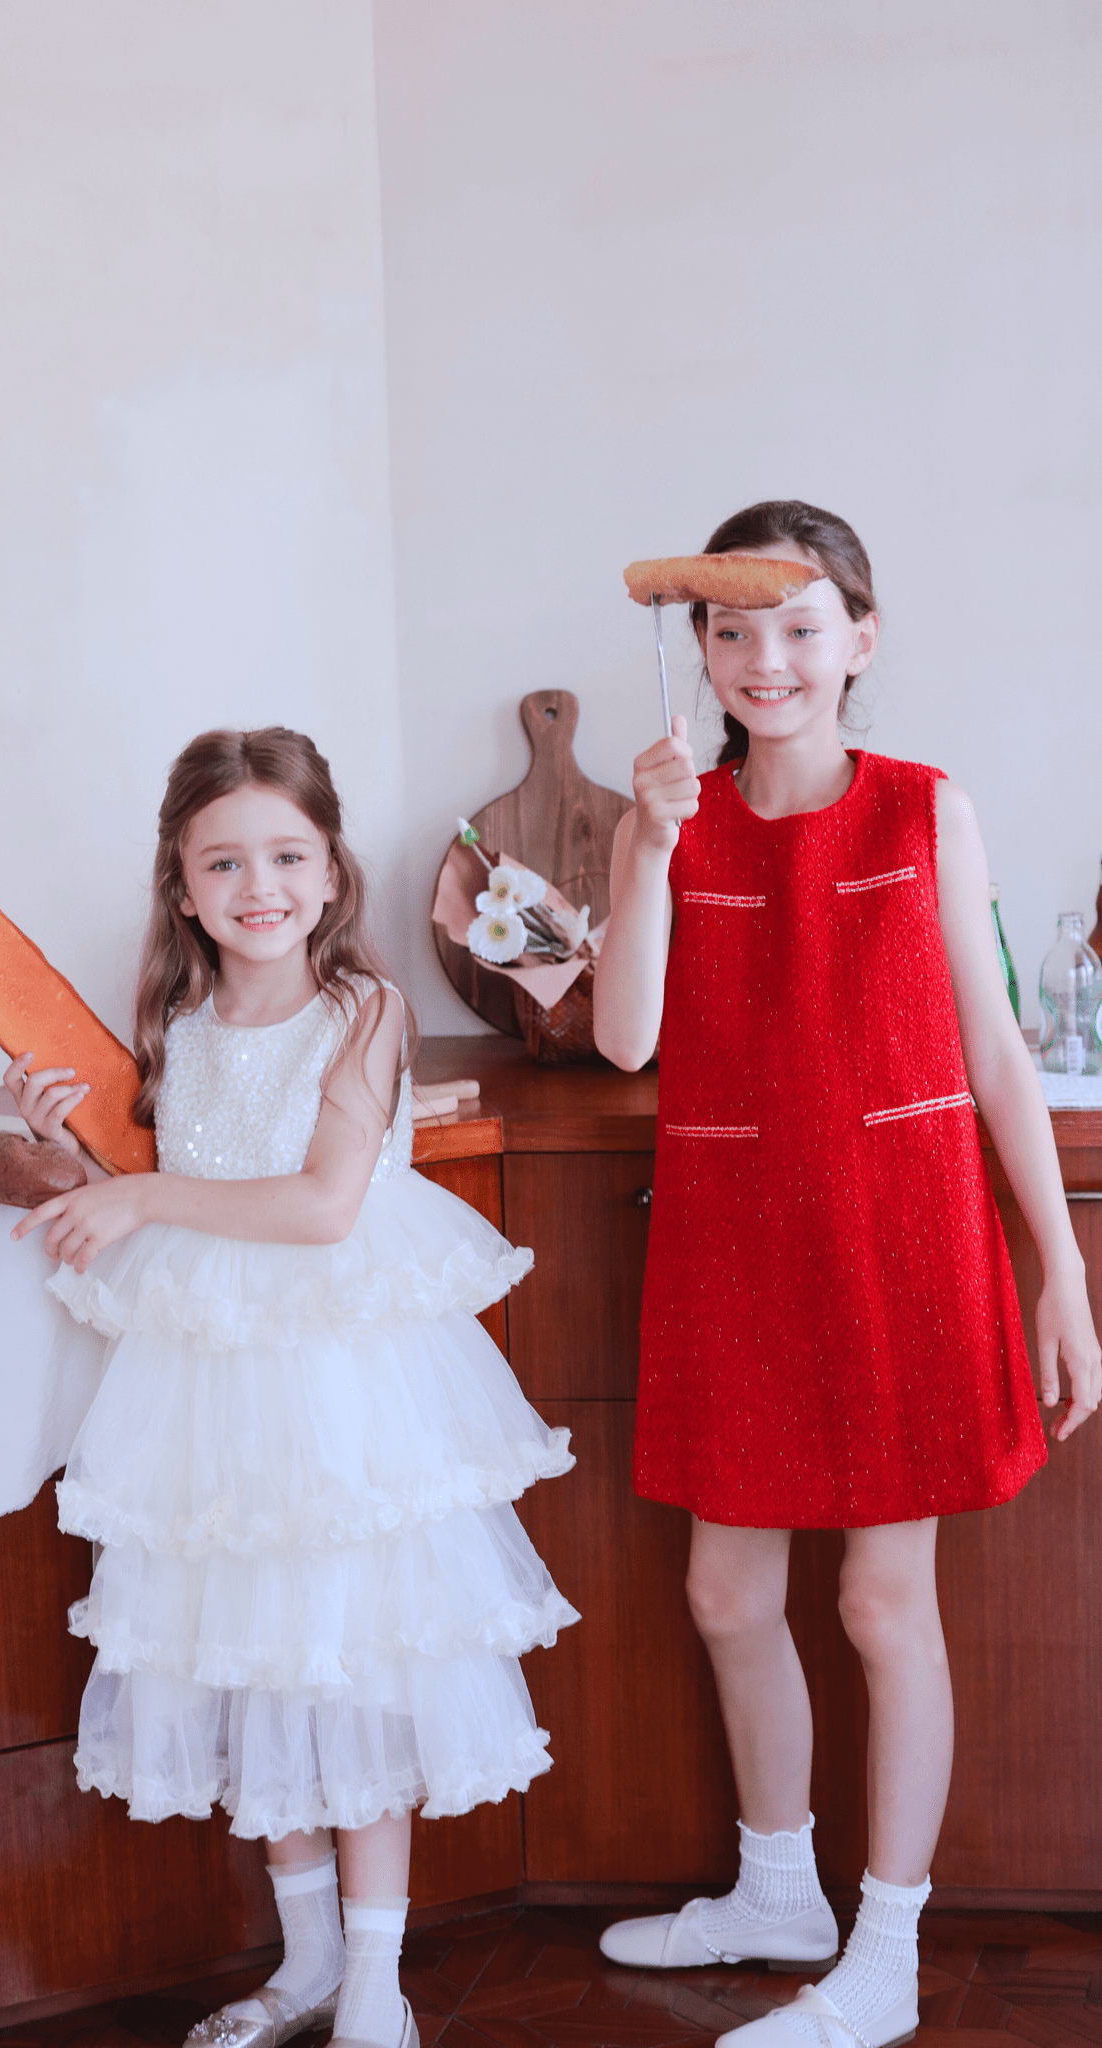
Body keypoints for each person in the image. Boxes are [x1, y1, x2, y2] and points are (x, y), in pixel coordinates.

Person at [592, 501, 1100, 2048]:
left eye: (803, 627)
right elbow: (624, 1036)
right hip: (733, 1245)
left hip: (904, 1241)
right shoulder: (669, 822)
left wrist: (1060, 1276)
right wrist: (643, 847)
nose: (768, 659)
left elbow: (999, 1057)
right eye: (734, 631)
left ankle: (882, 1950)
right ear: (699, 651)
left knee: (886, 1604)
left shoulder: (923, 810)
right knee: (724, 1589)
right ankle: (774, 1890)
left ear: (860, 643)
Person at [8, 727, 577, 2048]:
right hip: (214, 1403)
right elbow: (164, 1193)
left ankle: (377, 1979)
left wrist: (141, 1185)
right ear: (183, 885)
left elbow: (323, 1207)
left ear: (329, 872)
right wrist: (73, 1143)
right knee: (257, 1665)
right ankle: (305, 1959)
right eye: (223, 861)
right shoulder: (176, 1025)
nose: (256, 883)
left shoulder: (363, 1012)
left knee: (351, 1662)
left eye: (285, 854)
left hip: (340, 1394)